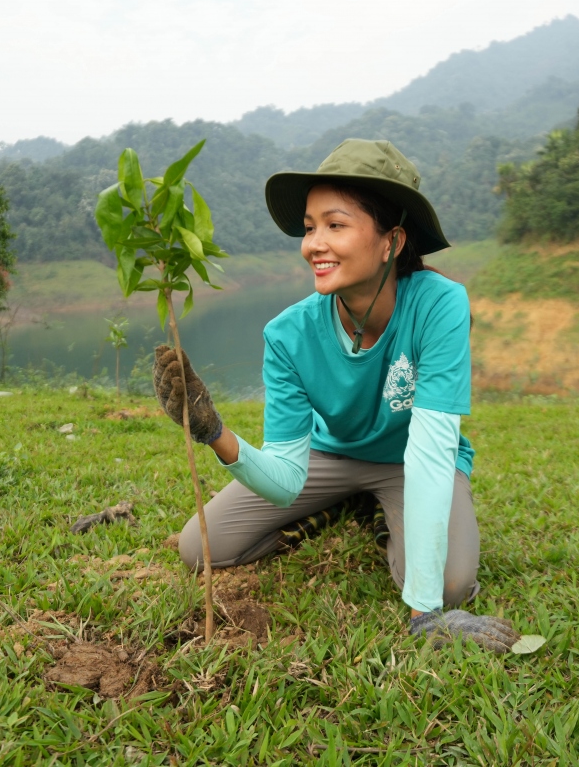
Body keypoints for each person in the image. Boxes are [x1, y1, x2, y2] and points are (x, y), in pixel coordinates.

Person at [152, 139, 520, 652]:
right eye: (309, 227)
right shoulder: (287, 335)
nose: (313, 244)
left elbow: (433, 451)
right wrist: (214, 433)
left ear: (391, 240)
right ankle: (348, 500)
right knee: (200, 548)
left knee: (450, 585)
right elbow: (284, 479)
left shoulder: (441, 305)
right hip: (331, 456)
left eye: (336, 224)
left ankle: (377, 509)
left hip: (409, 461)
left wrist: (424, 613)